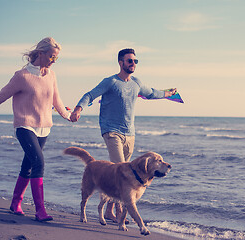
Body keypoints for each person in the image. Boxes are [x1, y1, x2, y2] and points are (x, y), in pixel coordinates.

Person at [0, 37, 71, 222]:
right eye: (51, 56)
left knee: (28, 165)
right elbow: (1, 96)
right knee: (39, 162)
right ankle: (40, 211)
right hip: (25, 126)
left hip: (44, 127)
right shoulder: (21, 76)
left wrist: (68, 116)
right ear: (41, 53)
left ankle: (15, 203)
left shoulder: (51, 75)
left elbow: (57, 100)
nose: (54, 61)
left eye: (57, 58)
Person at [70, 48, 176, 221]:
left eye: (135, 61)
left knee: (123, 172)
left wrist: (168, 94)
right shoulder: (110, 82)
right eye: (129, 61)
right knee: (121, 167)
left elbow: (151, 93)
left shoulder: (136, 83)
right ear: (121, 62)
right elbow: (90, 95)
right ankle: (120, 212)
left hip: (130, 134)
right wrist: (78, 108)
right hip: (111, 131)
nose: (133, 64)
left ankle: (109, 211)